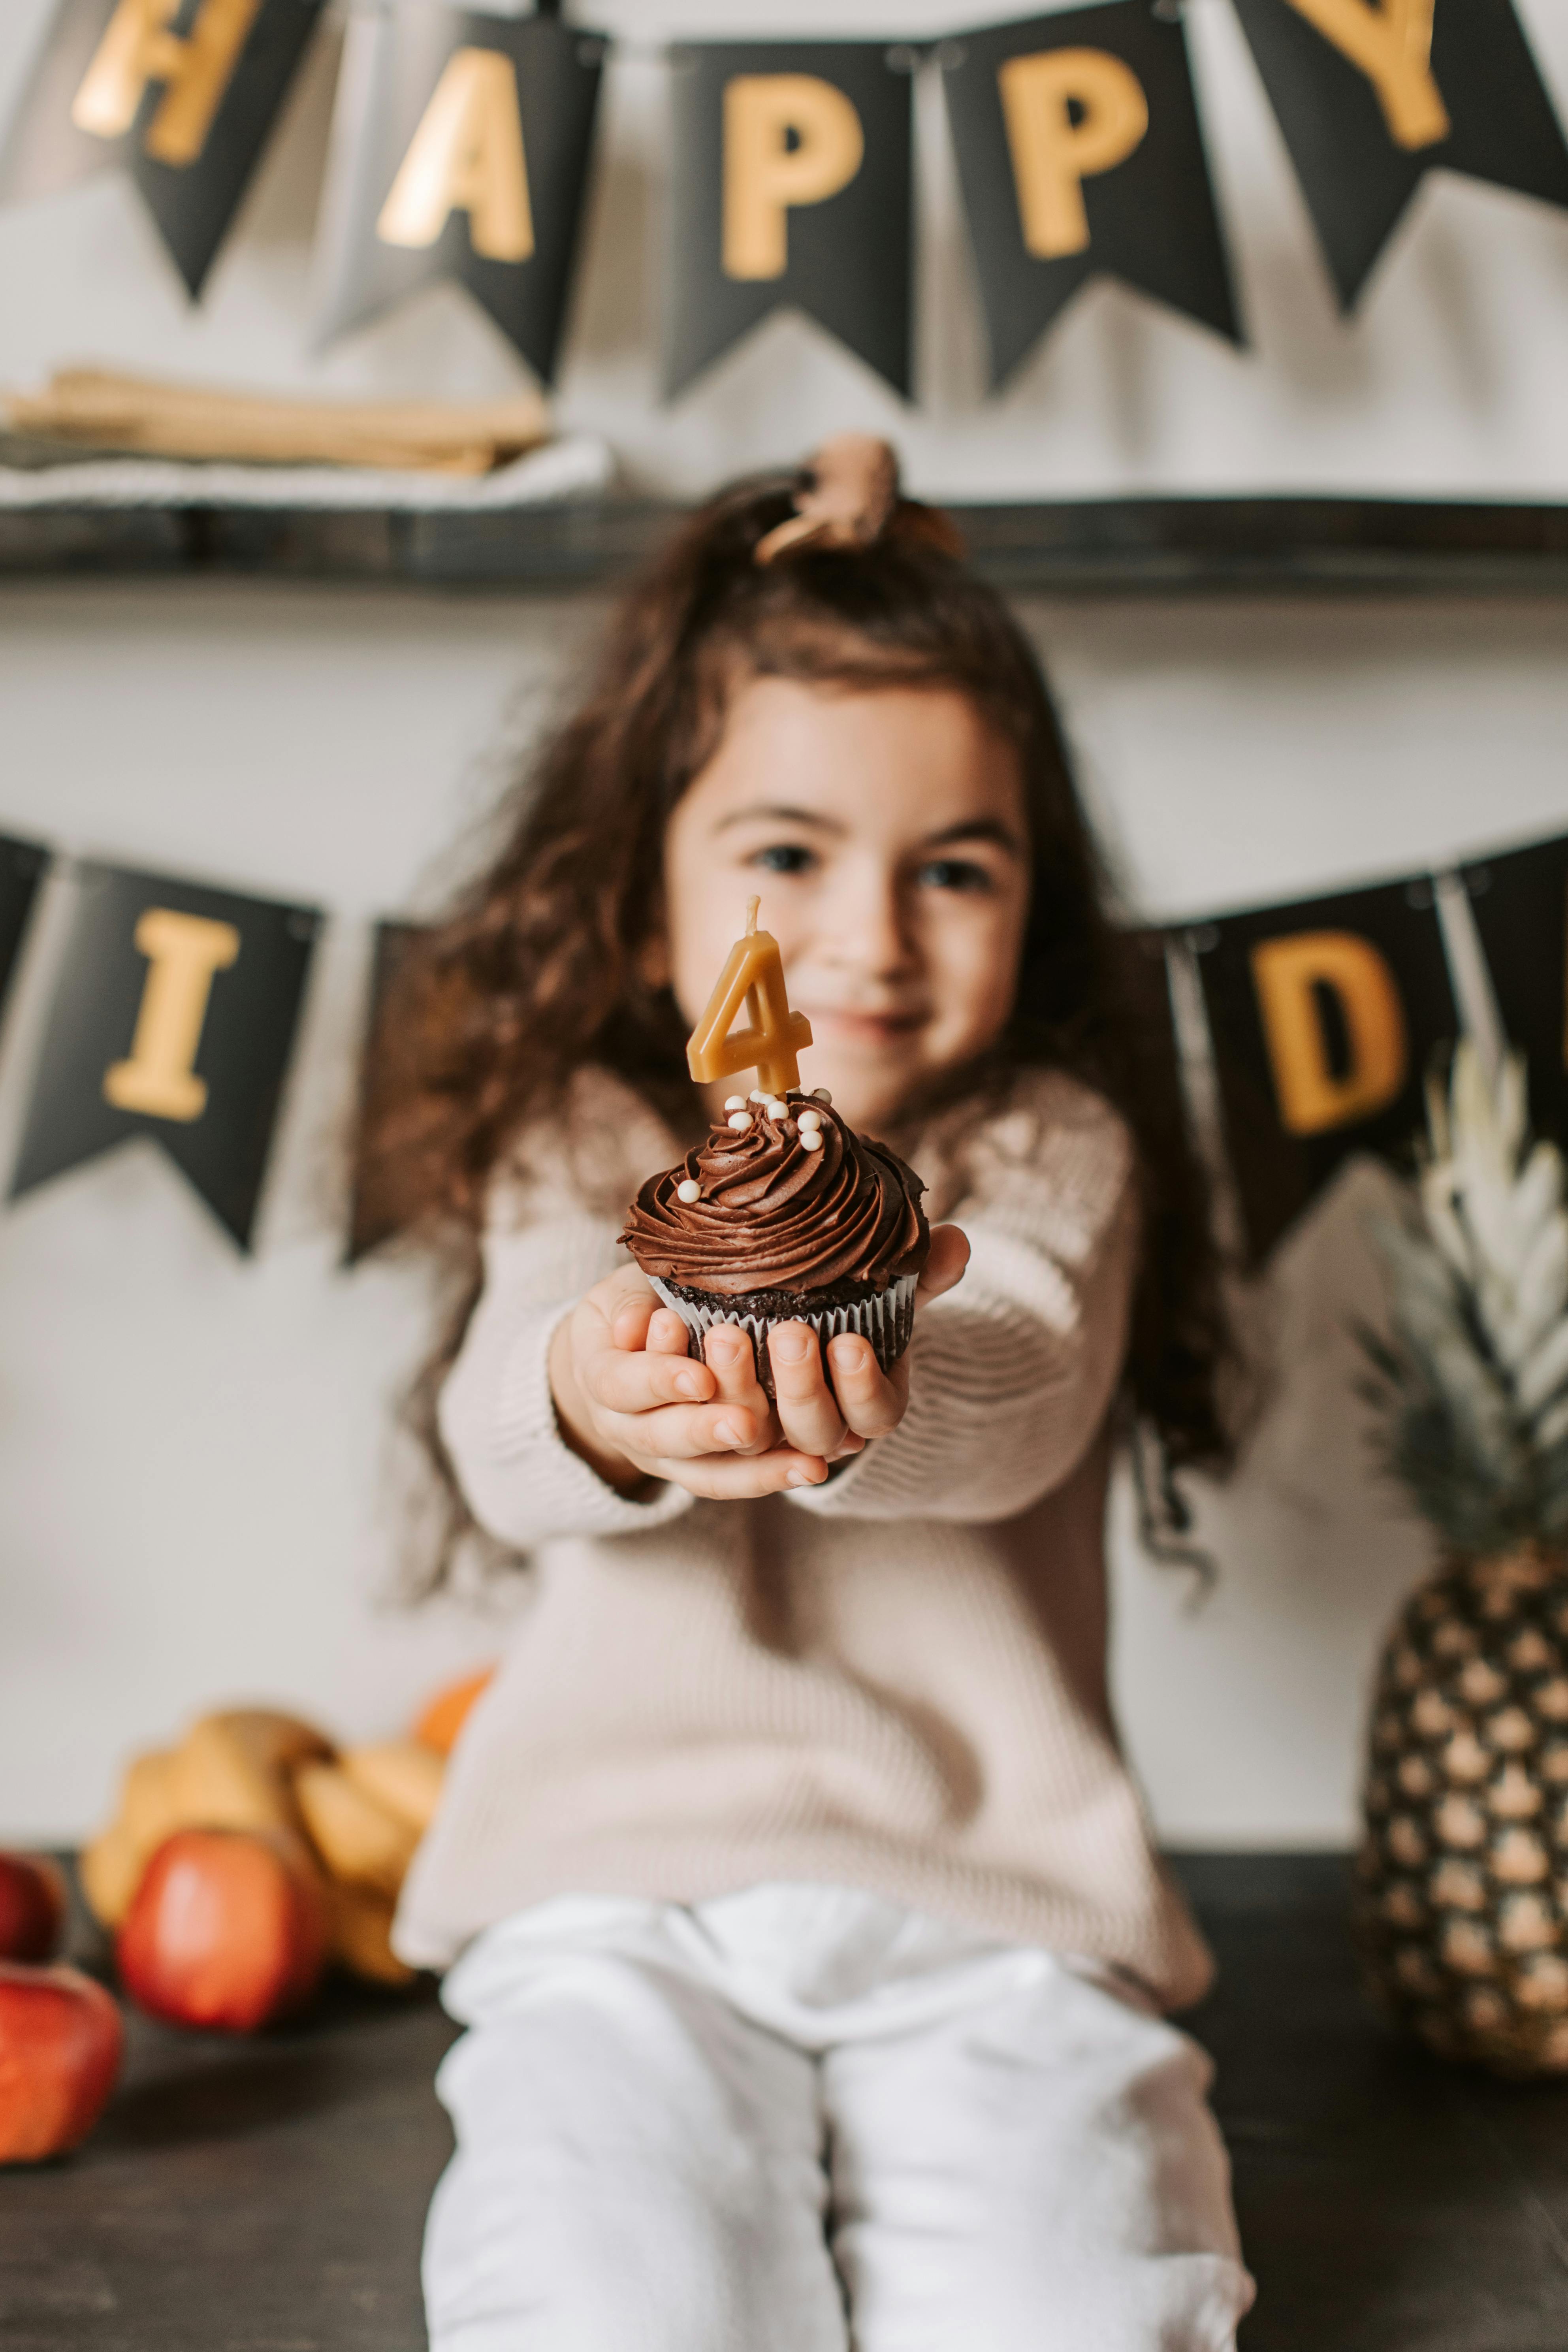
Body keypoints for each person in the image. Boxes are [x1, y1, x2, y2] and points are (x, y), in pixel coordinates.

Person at [368, 438, 1257, 2351]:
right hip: (620, 1908)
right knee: (608, 2299)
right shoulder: (584, 1141)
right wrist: (604, 1395)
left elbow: (1011, 1368)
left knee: (1085, 2306)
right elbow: (505, 1415)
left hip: (995, 1912)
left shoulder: (1042, 1146)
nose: (867, 937)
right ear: (640, 904)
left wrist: (871, 1375)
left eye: (953, 867)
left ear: (1035, 903)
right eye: (787, 855)